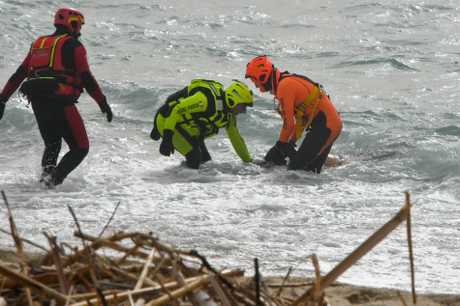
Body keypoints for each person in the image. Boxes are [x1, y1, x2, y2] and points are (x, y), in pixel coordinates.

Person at [0, 8, 113, 187]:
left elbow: (20, 73)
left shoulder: (38, 43)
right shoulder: (74, 46)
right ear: (70, 23)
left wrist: (3, 99)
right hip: (59, 98)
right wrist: (102, 101)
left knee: (52, 144)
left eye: (80, 25)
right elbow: (86, 77)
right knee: (80, 148)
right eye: (77, 24)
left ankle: (44, 183)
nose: (79, 30)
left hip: (36, 98)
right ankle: (52, 182)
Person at [245, 55, 342, 173]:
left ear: (263, 76)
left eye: (254, 80)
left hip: (326, 126)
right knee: (310, 171)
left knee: (295, 171)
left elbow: (289, 124)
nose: (255, 85)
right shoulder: (286, 82)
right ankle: (336, 169)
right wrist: (291, 142)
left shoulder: (284, 86)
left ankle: (337, 164)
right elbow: (302, 120)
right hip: (328, 125)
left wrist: (279, 146)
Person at [150, 79, 253, 169]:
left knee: (206, 163)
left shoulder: (229, 117)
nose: (244, 111)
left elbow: (236, 140)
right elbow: (176, 110)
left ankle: (182, 181)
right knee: (195, 158)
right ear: (233, 100)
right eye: (243, 106)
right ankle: (171, 183)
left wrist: (248, 162)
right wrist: (167, 139)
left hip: (188, 129)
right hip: (166, 121)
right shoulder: (204, 100)